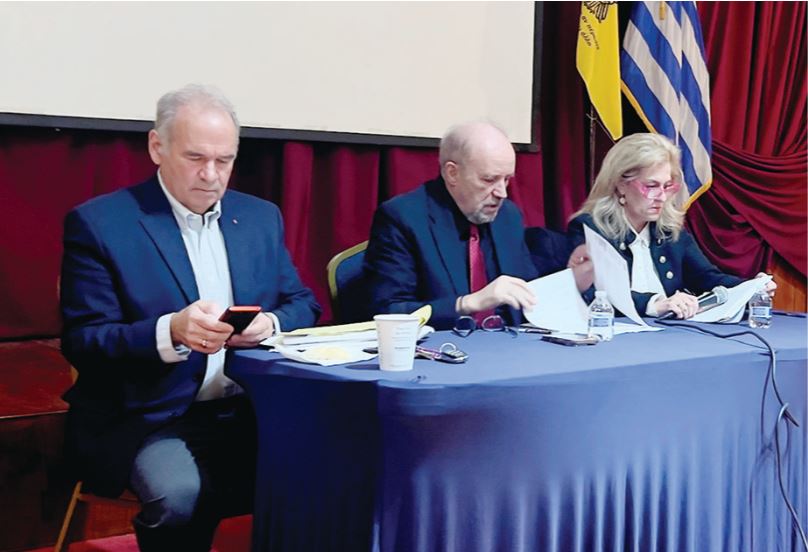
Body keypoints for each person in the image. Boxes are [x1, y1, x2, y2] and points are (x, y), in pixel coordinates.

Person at [59, 84, 321, 551]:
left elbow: (303, 303)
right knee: (180, 496)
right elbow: (85, 341)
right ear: (157, 147)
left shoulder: (259, 218)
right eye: (195, 157)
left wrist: (271, 324)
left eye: (224, 160)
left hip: (249, 408)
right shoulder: (102, 225)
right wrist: (170, 332)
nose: (211, 175)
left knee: (329, 467)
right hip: (149, 415)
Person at [363, 121, 592, 330]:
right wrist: (468, 303)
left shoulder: (508, 216)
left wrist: (570, 283)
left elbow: (524, 295)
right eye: (489, 180)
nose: (502, 193)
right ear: (452, 173)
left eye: (506, 179)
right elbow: (388, 312)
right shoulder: (403, 217)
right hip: (444, 351)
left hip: (509, 349)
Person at [568, 132, 775, 319]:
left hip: (670, 336)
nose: (661, 197)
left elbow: (706, 277)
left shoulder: (668, 230)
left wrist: (751, 287)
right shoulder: (590, 228)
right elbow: (592, 291)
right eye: (651, 186)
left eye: (667, 186)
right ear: (620, 185)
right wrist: (653, 304)